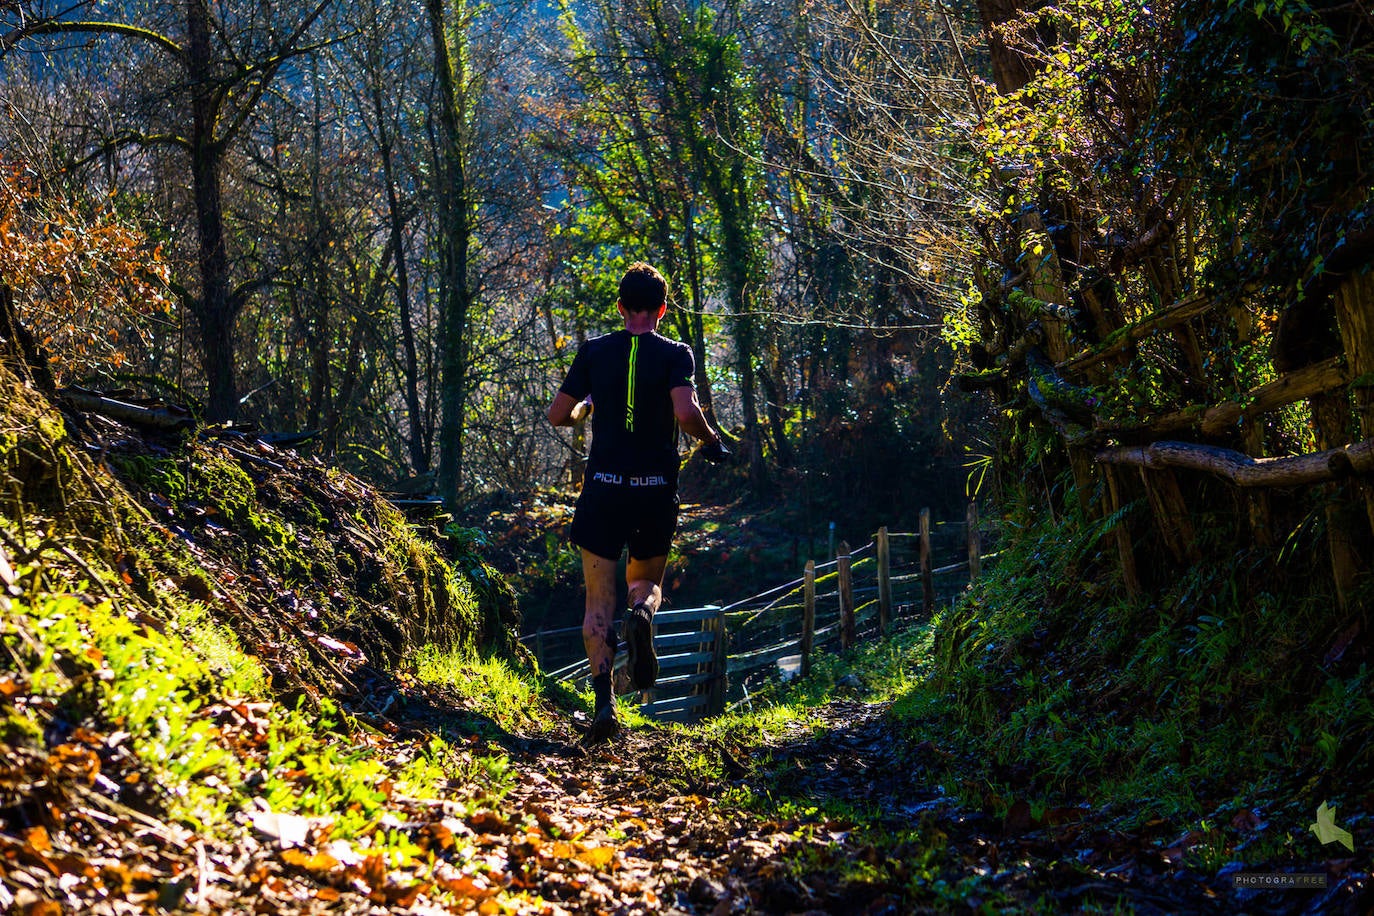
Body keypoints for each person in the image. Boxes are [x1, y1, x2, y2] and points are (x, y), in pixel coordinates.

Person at [547, 262, 728, 742]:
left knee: (596, 599)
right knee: (645, 581)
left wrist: (589, 409)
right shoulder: (675, 353)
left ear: (621, 308)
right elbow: (686, 413)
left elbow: (559, 414)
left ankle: (604, 704)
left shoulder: (594, 351)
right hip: (653, 488)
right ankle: (643, 615)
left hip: (603, 486)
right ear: (662, 310)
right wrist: (710, 442)